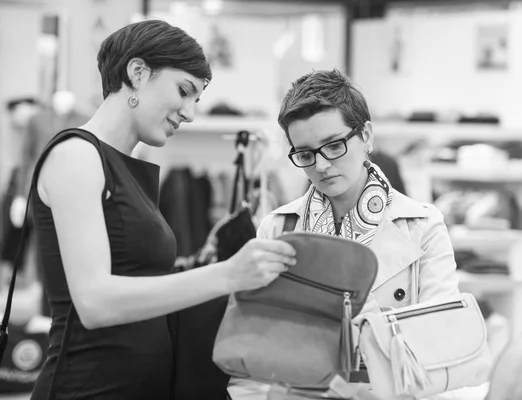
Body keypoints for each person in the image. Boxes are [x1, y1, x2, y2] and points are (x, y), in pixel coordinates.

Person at [29, 19, 296, 400]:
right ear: (137, 73)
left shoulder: (128, 170)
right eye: (184, 91)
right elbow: (94, 302)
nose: (189, 113)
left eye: (197, 100)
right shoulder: (77, 156)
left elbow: (144, 283)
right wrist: (228, 273)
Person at [228, 69, 460, 400]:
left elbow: (442, 342)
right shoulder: (279, 227)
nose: (321, 166)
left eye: (334, 146)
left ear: (366, 135)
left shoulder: (421, 226)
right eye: (305, 154)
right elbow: (251, 348)